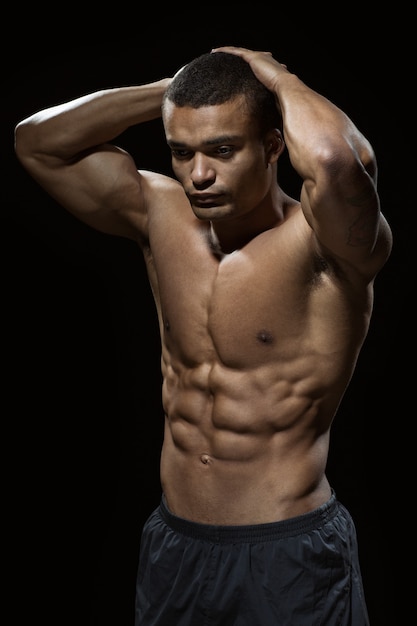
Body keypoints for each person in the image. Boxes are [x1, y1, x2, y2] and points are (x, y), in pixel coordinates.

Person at [14, 46, 392, 625]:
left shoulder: (329, 243)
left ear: (272, 146)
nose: (198, 175)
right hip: (175, 544)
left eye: (222, 150)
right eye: (181, 152)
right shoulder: (157, 213)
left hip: (287, 553)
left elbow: (338, 161)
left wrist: (274, 76)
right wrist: (174, 88)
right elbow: (38, 142)